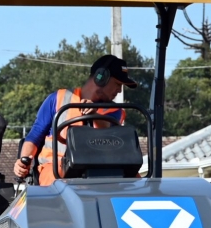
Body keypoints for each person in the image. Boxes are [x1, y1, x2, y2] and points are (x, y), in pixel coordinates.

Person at [13, 54, 138, 185]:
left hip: (98, 169)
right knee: (59, 184)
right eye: (118, 84)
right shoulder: (57, 99)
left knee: (135, 181)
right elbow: (34, 136)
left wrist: (95, 113)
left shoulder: (115, 110)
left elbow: (108, 131)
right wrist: (22, 162)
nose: (119, 90)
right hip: (55, 168)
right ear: (101, 77)